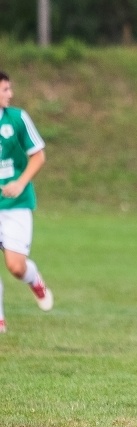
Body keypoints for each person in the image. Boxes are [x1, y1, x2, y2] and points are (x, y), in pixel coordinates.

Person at [0, 71, 53, 334]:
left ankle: (33, 279)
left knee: (15, 266)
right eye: (5, 89)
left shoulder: (18, 119)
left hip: (16, 203)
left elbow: (38, 156)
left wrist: (20, 183)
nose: (10, 94)